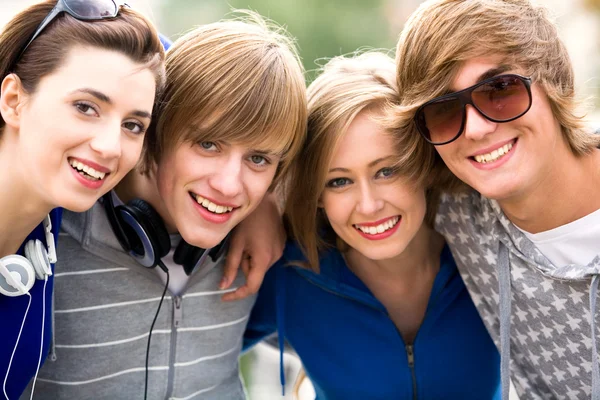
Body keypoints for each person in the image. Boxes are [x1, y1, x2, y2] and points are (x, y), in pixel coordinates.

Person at [31, 12, 307, 400]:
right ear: (156, 132)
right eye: (208, 144)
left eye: (258, 159)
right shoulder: (46, 238)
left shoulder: (261, 248)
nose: (229, 185)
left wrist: (269, 206)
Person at [244, 52, 500, 400]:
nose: (368, 205)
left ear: (423, 162)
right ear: (316, 193)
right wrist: (258, 207)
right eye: (338, 182)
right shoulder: (286, 272)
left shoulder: (489, 252)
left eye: (387, 171)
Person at [391, 0, 600, 399]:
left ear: (552, 79)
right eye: (443, 111)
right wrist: (264, 214)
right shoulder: (458, 211)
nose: (476, 128)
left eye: (499, 89)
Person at [0, 0, 165, 398]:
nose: (110, 147)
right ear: (13, 101)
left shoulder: (53, 204)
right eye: (85, 107)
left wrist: (266, 206)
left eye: (133, 125)